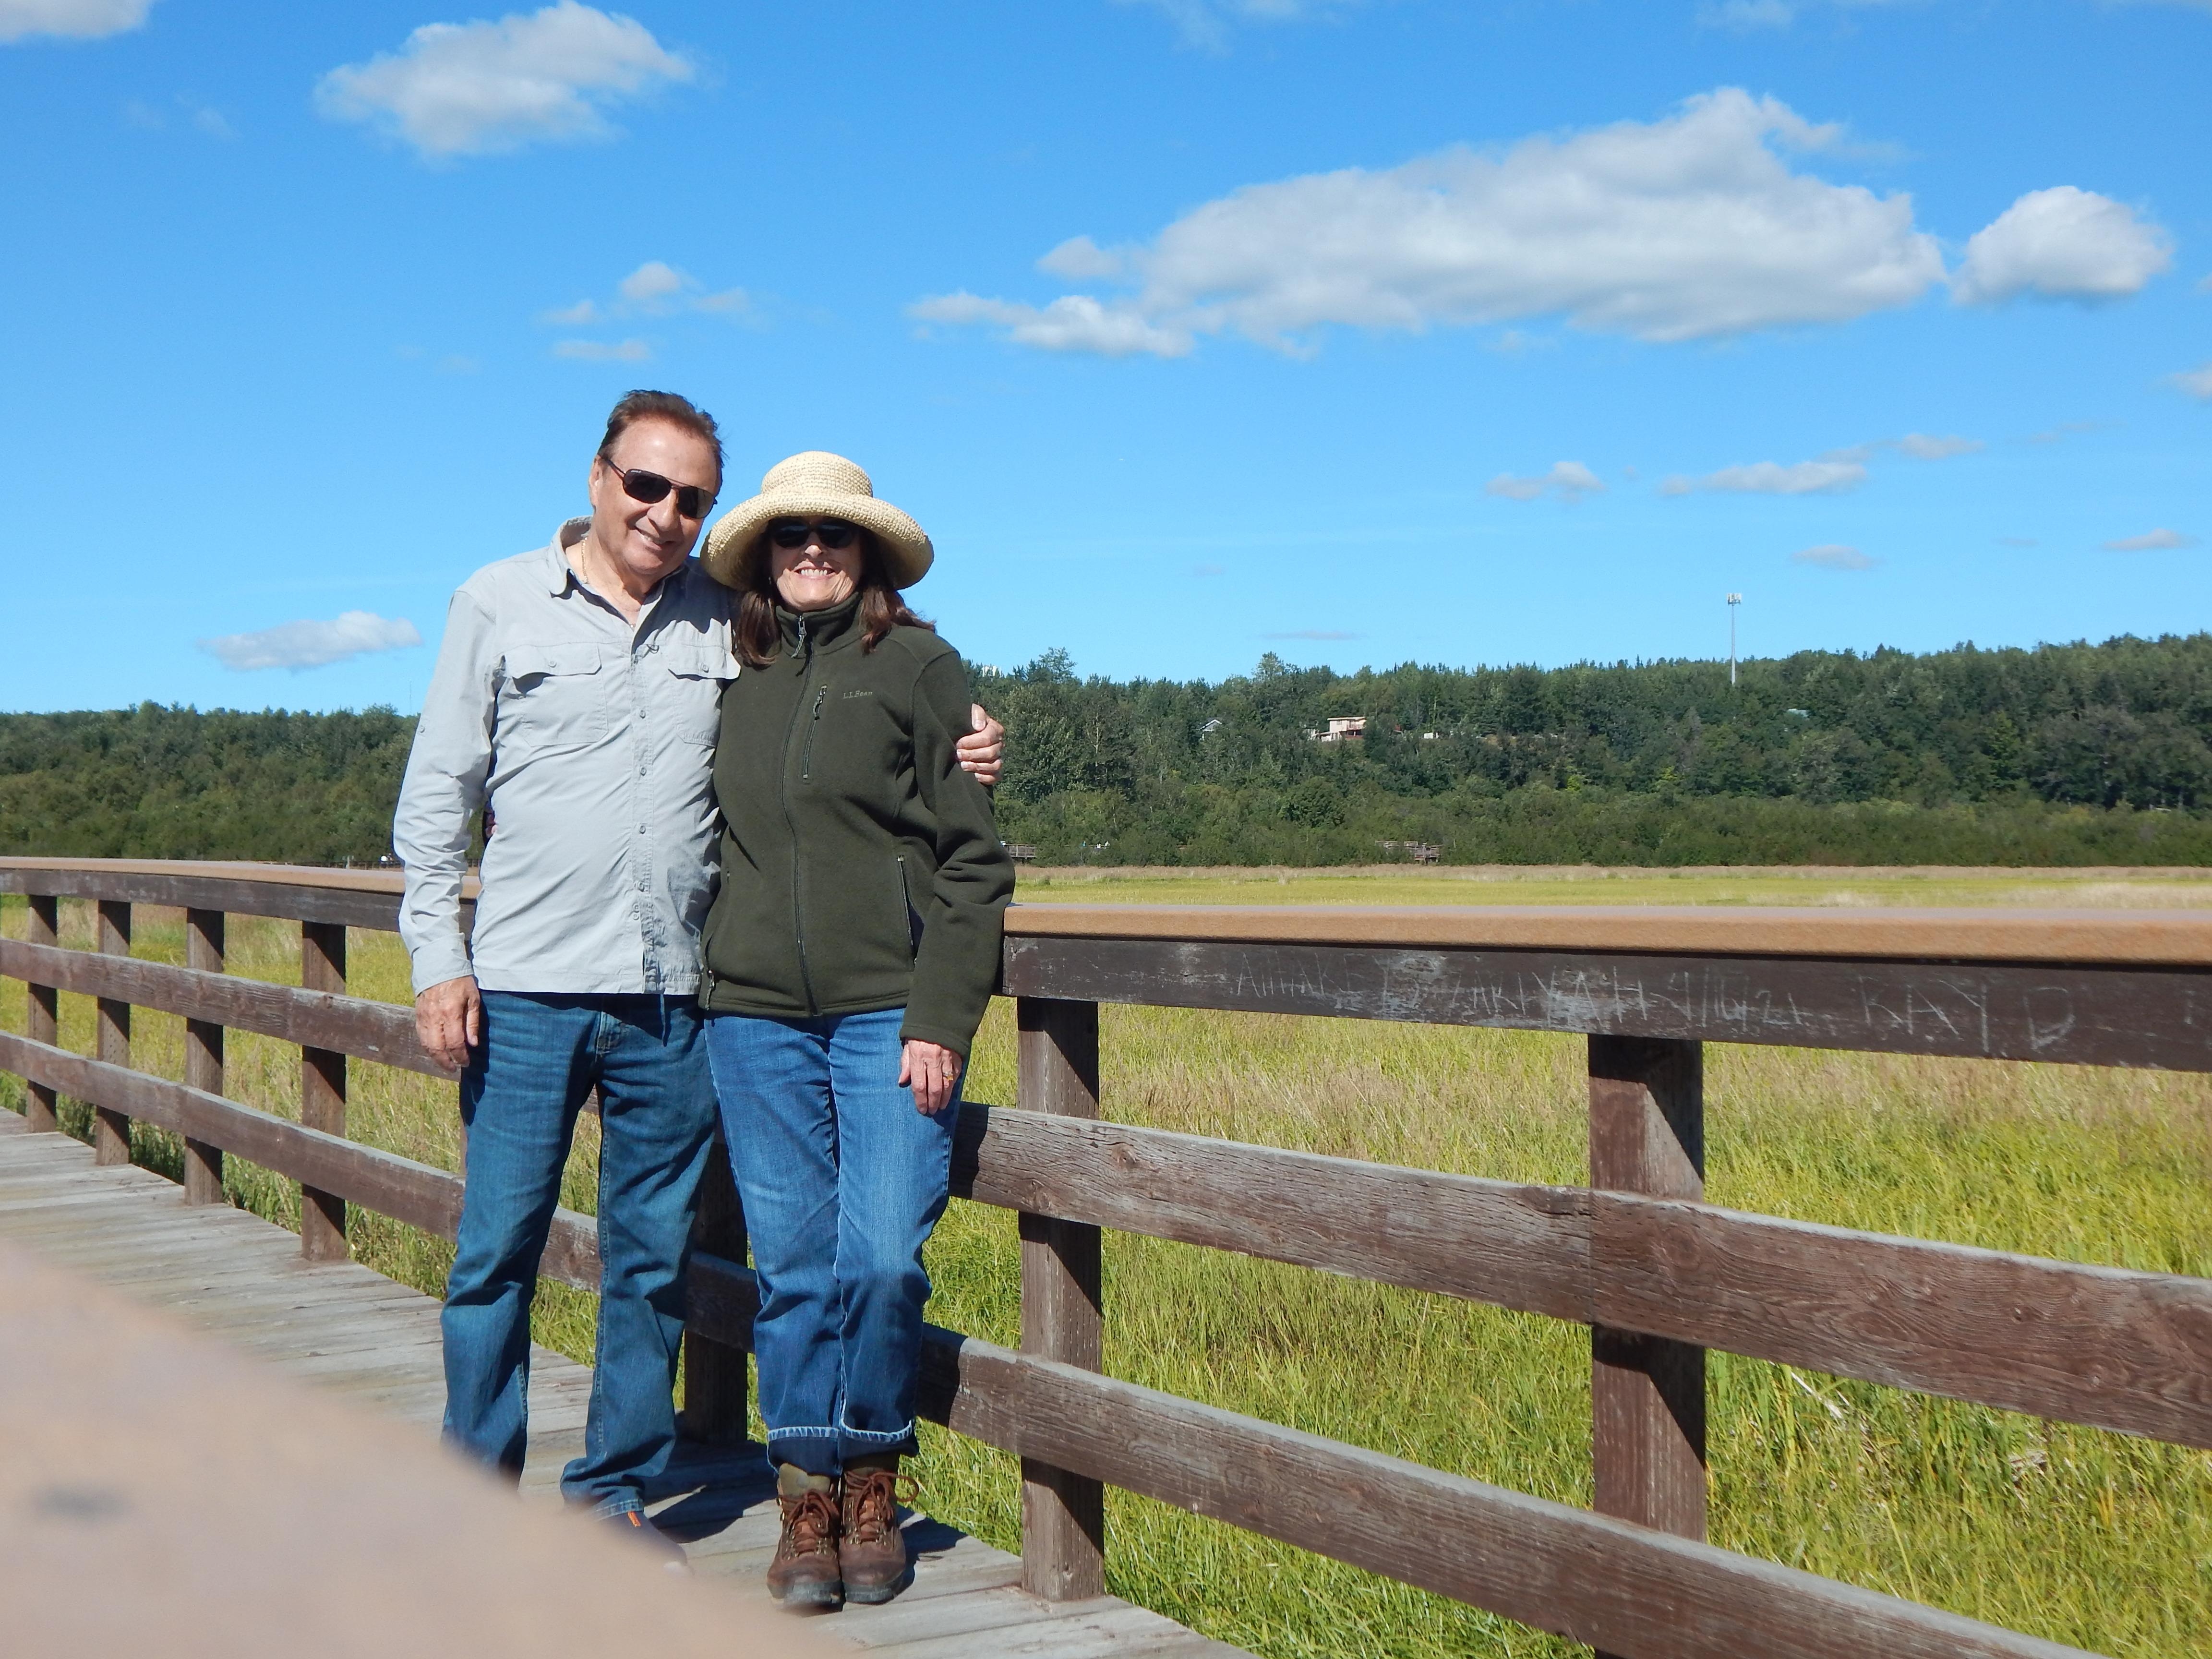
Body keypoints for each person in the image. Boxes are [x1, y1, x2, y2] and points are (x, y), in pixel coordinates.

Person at [392, 398, 1004, 1558]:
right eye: (645, 487)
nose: (664, 514)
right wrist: (438, 962)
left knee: (655, 1264)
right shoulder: (500, 602)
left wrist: (970, 736)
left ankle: (615, 1488)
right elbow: (438, 799)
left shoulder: (729, 623)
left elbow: (873, 689)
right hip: (523, 988)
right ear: (597, 477)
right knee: (494, 1255)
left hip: (675, 997)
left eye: (691, 500)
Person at [695, 453, 1014, 1608]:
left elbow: (975, 863)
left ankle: (871, 1468)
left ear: (868, 551)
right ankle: (806, 1500)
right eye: (792, 537)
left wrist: (940, 1016)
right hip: (755, 1018)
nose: (813, 551)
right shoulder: (737, 670)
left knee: (880, 1256)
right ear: (765, 559)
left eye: (835, 535)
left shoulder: (920, 664)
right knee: (790, 1270)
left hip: (889, 1014)